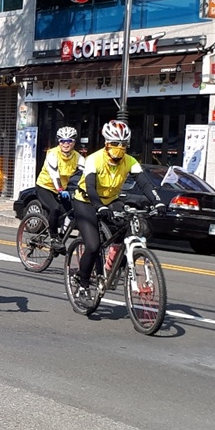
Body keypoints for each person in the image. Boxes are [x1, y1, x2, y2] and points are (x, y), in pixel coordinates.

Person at [70, 120, 163, 299]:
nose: (119, 147)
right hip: (86, 201)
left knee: (127, 223)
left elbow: (145, 184)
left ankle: (115, 260)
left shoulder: (130, 161)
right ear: (106, 143)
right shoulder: (94, 159)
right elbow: (90, 187)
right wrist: (99, 206)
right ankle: (82, 283)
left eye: (123, 144)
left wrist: (157, 202)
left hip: (110, 200)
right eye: (115, 143)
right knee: (93, 245)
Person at [34, 126, 81, 242]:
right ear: (58, 142)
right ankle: (54, 238)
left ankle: (61, 237)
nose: (65, 144)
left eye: (69, 141)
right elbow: (54, 175)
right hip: (45, 187)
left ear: (74, 142)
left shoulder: (77, 157)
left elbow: (88, 172)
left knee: (71, 213)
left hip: (61, 190)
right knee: (54, 208)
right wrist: (60, 189)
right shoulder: (52, 154)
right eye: (62, 141)